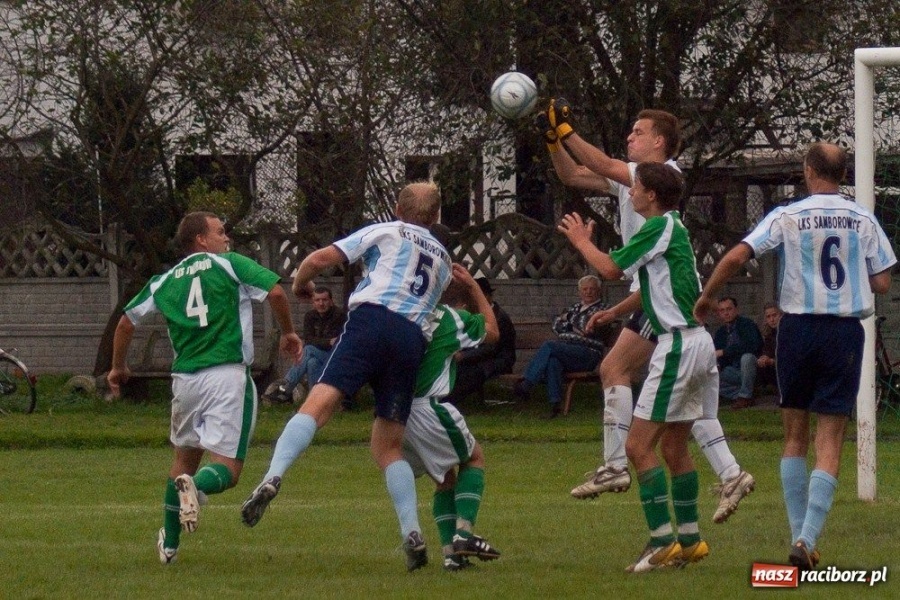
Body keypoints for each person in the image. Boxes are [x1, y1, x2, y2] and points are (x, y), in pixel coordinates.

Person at [538, 100, 754, 521]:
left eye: (637, 132)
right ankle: (729, 474)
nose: (629, 137)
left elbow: (598, 161)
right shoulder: (634, 183)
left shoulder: (662, 177)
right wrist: (553, 142)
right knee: (682, 421)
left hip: (664, 311)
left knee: (613, 370)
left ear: (659, 142)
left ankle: (616, 466)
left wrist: (565, 128)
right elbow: (572, 174)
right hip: (653, 298)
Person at [694, 142, 896, 570]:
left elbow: (737, 254)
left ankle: (795, 533)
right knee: (831, 436)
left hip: (797, 331)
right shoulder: (862, 218)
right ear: (843, 174)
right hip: (843, 332)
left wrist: (708, 296)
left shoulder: (788, 216)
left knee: (794, 435)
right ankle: (806, 539)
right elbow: (881, 283)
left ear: (808, 170)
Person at [239, 182, 454, 572]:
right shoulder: (443, 259)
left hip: (372, 320)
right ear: (436, 216)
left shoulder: (387, 230)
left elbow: (321, 258)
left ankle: (272, 477)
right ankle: (412, 531)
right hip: (410, 340)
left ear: (397, 207)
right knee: (387, 447)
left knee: (317, 405)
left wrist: (300, 283)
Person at [106, 211, 302, 565]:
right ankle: (197, 488)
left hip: (185, 382)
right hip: (226, 375)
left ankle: (169, 546)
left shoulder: (164, 280)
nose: (226, 239)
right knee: (227, 469)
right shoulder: (227, 264)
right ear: (201, 240)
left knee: (183, 460)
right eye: (220, 232)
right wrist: (288, 332)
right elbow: (275, 291)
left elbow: (124, 323)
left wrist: (119, 367)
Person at [559, 162, 717, 573]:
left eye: (636, 188)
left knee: (636, 447)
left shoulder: (658, 226)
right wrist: (614, 312)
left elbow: (610, 269)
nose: (630, 193)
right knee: (674, 447)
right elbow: (652, 288)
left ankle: (662, 542)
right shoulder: (671, 229)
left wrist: (581, 242)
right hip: (695, 341)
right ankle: (690, 540)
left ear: (650, 195)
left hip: (677, 344)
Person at [402, 273, 502, 571]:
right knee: (474, 459)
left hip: (397, 412)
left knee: (444, 477)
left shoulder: (399, 315)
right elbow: (493, 333)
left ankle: (451, 556)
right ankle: (464, 534)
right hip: (428, 407)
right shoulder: (447, 317)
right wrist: (474, 288)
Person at [512, 275, 611, 419]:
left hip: (588, 353)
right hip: (567, 350)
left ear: (599, 291)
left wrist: (569, 320)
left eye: (592, 289)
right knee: (553, 361)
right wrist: (575, 324)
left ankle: (527, 383)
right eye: (585, 289)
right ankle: (555, 406)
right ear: (579, 292)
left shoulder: (603, 309)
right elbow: (556, 324)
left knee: (550, 346)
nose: (588, 292)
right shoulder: (574, 307)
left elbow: (587, 325)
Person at [265, 286, 346, 406]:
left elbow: (335, 343)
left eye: (324, 300)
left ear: (331, 301)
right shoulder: (310, 316)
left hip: (336, 357)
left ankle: (286, 389)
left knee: (308, 350)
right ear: (313, 302)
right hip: (318, 355)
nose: (321, 303)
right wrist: (327, 341)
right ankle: (316, 401)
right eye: (317, 300)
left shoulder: (339, 315)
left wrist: (324, 342)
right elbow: (309, 339)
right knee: (311, 362)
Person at [442, 277, 516, 406]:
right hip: (479, 356)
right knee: (458, 367)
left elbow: (492, 348)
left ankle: (451, 402)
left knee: (475, 371)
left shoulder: (500, 317)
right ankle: (444, 399)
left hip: (499, 359)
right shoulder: (474, 314)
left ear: (486, 297)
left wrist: (463, 356)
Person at [713, 296, 763, 409]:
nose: (726, 313)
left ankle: (744, 396)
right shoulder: (720, 332)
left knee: (747, 357)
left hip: (752, 369)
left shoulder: (747, 324)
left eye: (729, 309)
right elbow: (718, 356)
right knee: (712, 378)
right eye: (722, 310)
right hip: (733, 371)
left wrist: (725, 352)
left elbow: (752, 346)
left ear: (736, 309)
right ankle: (746, 394)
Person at [756, 302, 782, 395]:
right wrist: (764, 357)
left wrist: (772, 361)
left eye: (774, 315)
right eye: (768, 317)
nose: (772, 319)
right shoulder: (769, 334)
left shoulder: (789, 332)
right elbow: (767, 350)